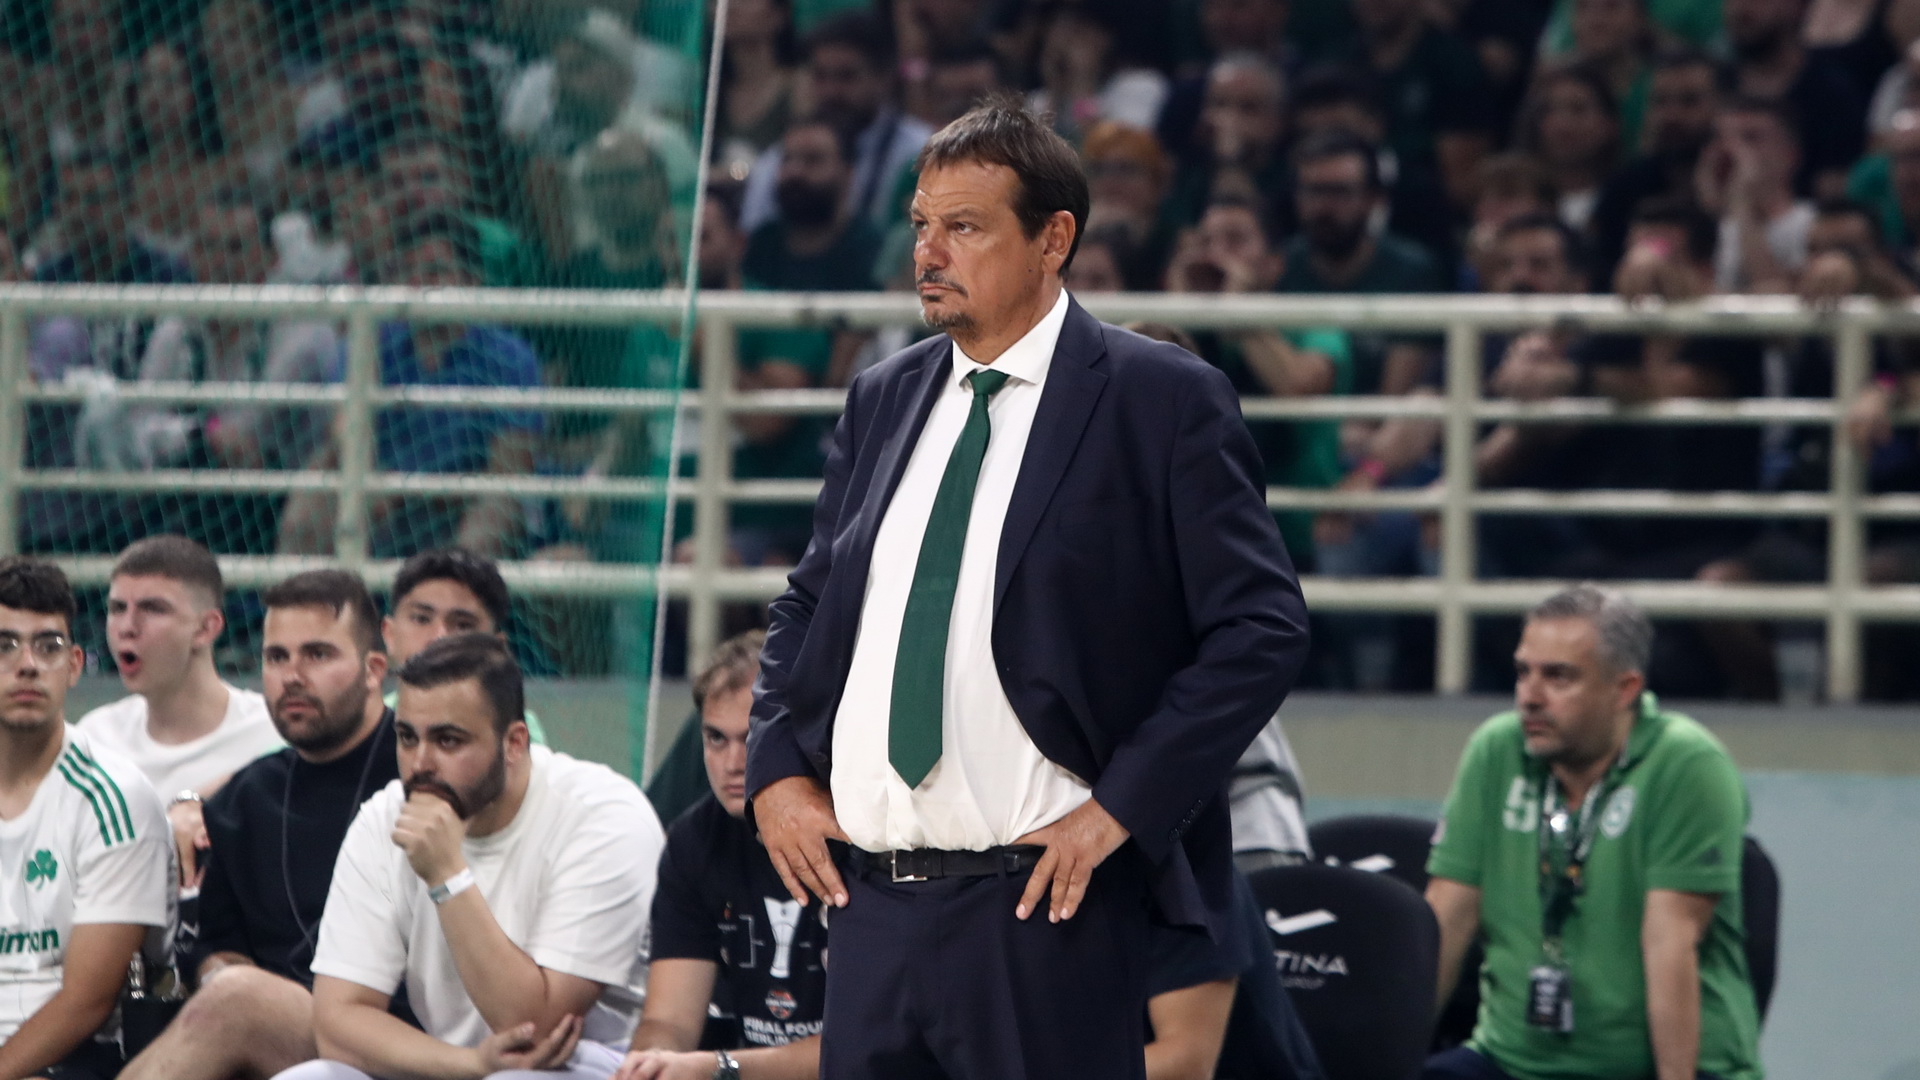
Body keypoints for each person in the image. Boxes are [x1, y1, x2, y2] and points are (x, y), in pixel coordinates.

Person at [746, 97, 1309, 1079]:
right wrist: (775, 773)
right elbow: (807, 604)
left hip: (1044, 906)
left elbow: (1262, 628)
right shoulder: (883, 395)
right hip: (871, 907)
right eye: (921, 224)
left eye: (963, 227)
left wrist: (1120, 809)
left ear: (1054, 239)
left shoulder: (1160, 396)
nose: (929, 253)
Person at [270, 633, 664, 1080]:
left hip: (593, 1065)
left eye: (448, 741)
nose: (420, 764)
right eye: (407, 737)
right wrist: (470, 1065)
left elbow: (535, 1032)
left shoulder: (604, 817)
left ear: (514, 743)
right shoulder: (385, 817)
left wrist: (446, 875)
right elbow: (338, 1024)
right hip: (469, 1069)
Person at [1422, 584, 1762, 1080]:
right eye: (1524, 672)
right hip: (1512, 1063)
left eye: (1558, 677)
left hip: (1657, 1068)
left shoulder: (1685, 764)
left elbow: (1670, 943)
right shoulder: (1496, 751)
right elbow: (1446, 921)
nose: (1530, 697)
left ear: (1624, 690)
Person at [116, 569, 397, 1080]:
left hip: (396, 1034)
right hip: (284, 1042)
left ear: (373, 669)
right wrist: (222, 971)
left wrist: (242, 996)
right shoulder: (247, 797)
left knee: (237, 1002)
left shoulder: (418, 770)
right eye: (276, 657)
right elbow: (215, 942)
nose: (292, 676)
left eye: (318, 654)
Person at [616, 632, 826, 1080]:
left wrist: (720, 1068)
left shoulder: (856, 837)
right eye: (715, 738)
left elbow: (865, 1046)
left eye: (751, 738)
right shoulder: (693, 842)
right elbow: (670, 1021)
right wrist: (651, 1065)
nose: (732, 763)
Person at [276, 210, 542, 559]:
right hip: (380, 499)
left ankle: (452, 583)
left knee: (493, 510)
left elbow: (509, 468)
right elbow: (344, 431)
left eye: (435, 271)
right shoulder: (371, 339)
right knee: (316, 484)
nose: (419, 284)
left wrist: (411, 492)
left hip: (463, 504)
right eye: (408, 272)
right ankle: (294, 593)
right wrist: (372, 482)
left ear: (472, 281)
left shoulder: (510, 357)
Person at [0, 556, 173, 1080]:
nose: (27, 665)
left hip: (66, 1057)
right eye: (4, 645)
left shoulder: (117, 800)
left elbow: (87, 1002)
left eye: (48, 646)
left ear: (75, 665)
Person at [77, 536, 281, 890]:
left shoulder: (271, 735)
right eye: (117, 608)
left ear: (206, 628)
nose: (127, 626)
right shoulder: (94, 740)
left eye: (153, 609)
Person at [739, 13, 931, 233]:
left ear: (884, 78)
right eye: (821, 76)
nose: (831, 91)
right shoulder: (781, 160)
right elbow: (754, 230)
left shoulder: (918, 150)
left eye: (846, 76)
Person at [382, 548, 549, 747]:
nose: (440, 637)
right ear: (390, 635)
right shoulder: (370, 727)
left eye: (463, 625)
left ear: (496, 649)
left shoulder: (517, 734)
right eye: (421, 619)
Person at [1694, 97, 1812, 293]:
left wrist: (1743, 203)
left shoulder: (1810, 223)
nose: (1731, 150)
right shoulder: (1716, 224)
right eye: (1721, 138)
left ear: (1790, 153)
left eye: (1750, 138)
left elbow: (1776, 296)